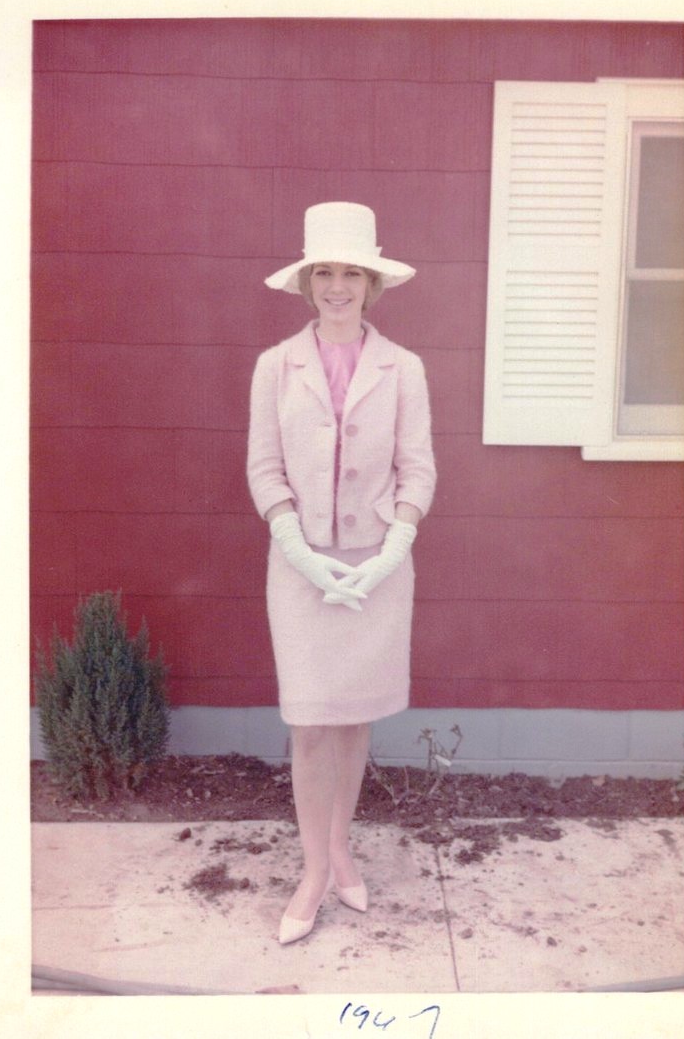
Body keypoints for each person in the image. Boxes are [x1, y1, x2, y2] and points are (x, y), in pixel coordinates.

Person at [247, 201, 436, 945]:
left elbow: (417, 466)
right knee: (309, 723)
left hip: (376, 566)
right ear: (306, 282)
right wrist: (296, 546)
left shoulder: (403, 367)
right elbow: (264, 467)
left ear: (371, 283)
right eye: (322, 272)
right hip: (300, 565)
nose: (336, 286)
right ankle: (313, 870)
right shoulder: (275, 366)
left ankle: (340, 849)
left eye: (350, 273)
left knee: (354, 718)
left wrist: (394, 545)